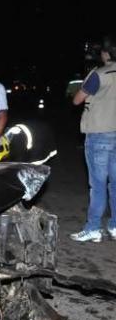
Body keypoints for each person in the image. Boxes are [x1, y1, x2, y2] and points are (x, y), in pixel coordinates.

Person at [70, 36, 116, 242]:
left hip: (99, 134)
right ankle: (115, 227)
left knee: (97, 184)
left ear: (106, 53)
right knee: (115, 184)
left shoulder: (99, 74)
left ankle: (93, 228)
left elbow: (77, 99)